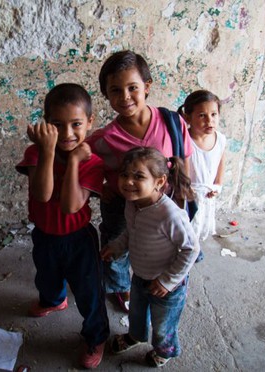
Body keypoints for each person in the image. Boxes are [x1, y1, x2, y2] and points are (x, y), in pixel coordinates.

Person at [86, 50, 193, 313]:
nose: (125, 97)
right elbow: (81, 160)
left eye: (132, 88)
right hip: (125, 204)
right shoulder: (105, 137)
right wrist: (101, 187)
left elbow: (184, 156)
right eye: (115, 90)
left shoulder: (171, 122)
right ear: (107, 95)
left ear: (146, 87)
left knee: (159, 247)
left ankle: (160, 281)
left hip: (164, 202)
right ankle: (121, 287)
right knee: (115, 249)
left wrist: (182, 195)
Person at [16, 83, 110, 369]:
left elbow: (71, 206)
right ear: (46, 124)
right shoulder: (36, 153)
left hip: (78, 239)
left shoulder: (91, 162)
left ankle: (96, 337)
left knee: (89, 292)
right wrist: (46, 151)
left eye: (76, 124)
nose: (68, 134)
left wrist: (72, 163)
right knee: (47, 276)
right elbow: (42, 194)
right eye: (57, 124)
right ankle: (53, 300)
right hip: (44, 234)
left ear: (90, 122)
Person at [100, 147, 200, 368]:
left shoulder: (170, 214)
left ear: (159, 181)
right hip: (141, 276)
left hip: (168, 286)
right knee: (136, 311)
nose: (128, 182)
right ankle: (135, 336)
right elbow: (131, 231)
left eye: (139, 176)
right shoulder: (132, 203)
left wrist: (167, 281)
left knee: (163, 324)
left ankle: (164, 350)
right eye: (124, 174)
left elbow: (190, 249)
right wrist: (116, 246)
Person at [178, 90, 226, 243]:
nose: (209, 120)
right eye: (202, 116)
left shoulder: (220, 140)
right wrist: (185, 192)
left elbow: (220, 167)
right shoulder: (185, 141)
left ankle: (194, 247)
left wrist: (217, 186)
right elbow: (181, 173)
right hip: (188, 195)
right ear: (188, 118)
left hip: (207, 195)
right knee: (185, 227)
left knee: (200, 227)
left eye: (214, 114)